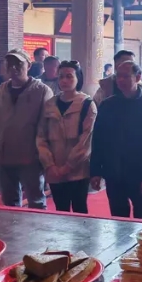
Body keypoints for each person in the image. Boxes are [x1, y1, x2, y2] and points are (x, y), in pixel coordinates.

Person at [90, 61, 142, 219]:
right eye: (118, 76)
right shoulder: (107, 105)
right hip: (113, 171)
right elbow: (98, 140)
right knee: (118, 218)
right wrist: (95, 171)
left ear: (138, 77)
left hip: (138, 172)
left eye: (125, 76)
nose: (120, 80)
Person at [0, 49, 53, 209]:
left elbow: (46, 128)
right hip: (2, 156)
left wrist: (45, 158)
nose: (13, 68)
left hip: (30, 157)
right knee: (9, 204)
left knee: (36, 202)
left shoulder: (41, 91)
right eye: (9, 64)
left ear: (28, 65)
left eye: (18, 64)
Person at [37, 61, 96, 214]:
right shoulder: (50, 104)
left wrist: (68, 166)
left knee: (79, 210)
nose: (64, 80)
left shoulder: (87, 104)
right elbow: (41, 137)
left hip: (78, 170)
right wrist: (49, 164)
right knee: (60, 211)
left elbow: (86, 141)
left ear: (78, 79)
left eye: (69, 76)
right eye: (61, 76)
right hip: (54, 169)